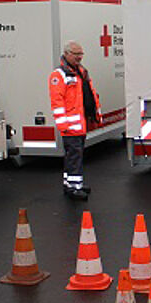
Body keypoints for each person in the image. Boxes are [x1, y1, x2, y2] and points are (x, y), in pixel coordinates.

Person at [48, 41, 101, 200]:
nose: (79, 57)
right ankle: (74, 188)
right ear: (67, 54)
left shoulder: (81, 72)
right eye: (76, 54)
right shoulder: (59, 75)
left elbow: (89, 94)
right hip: (71, 126)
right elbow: (57, 102)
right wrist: (63, 125)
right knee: (75, 156)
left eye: (81, 54)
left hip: (80, 123)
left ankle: (70, 183)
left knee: (74, 156)